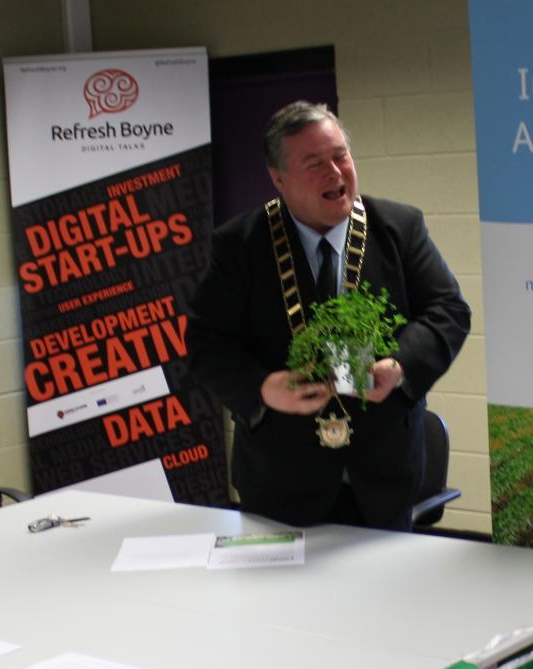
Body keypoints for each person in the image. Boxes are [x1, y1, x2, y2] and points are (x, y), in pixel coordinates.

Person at [186, 101, 471, 531]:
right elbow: (208, 344)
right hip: (279, 479)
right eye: (315, 163)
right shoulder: (240, 245)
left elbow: (449, 311)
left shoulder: (399, 227)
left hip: (383, 477)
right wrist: (262, 388)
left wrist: (402, 366)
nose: (336, 173)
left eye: (340, 155)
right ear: (278, 178)